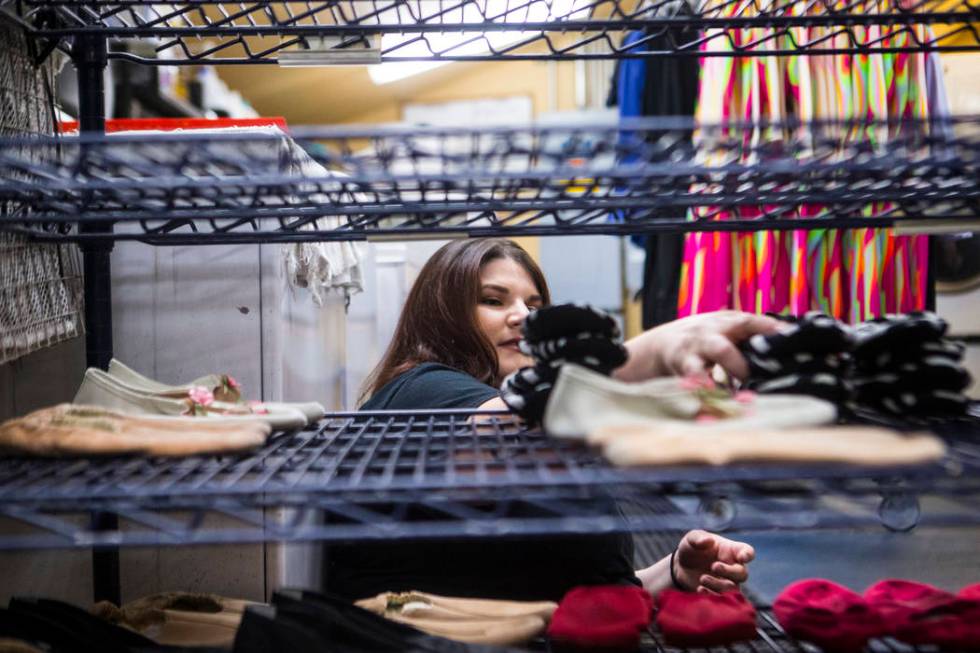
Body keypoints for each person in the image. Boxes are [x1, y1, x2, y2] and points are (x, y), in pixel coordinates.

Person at [326, 238, 783, 602]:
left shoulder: (530, 421)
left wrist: (671, 573)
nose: (523, 316)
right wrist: (649, 354)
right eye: (492, 299)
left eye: (535, 304)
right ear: (443, 316)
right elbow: (502, 428)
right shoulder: (423, 390)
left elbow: (552, 588)